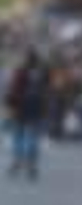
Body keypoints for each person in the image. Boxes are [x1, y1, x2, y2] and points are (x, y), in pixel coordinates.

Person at [5, 45, 50, 178]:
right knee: (33, 135)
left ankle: (17, 160)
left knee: (19, 134)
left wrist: (10, 104)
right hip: (37, 106)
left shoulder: (21, 71)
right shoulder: (43, 72)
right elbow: (47, 90)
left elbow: (14, 88)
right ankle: (31, 163)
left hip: (21, 106)